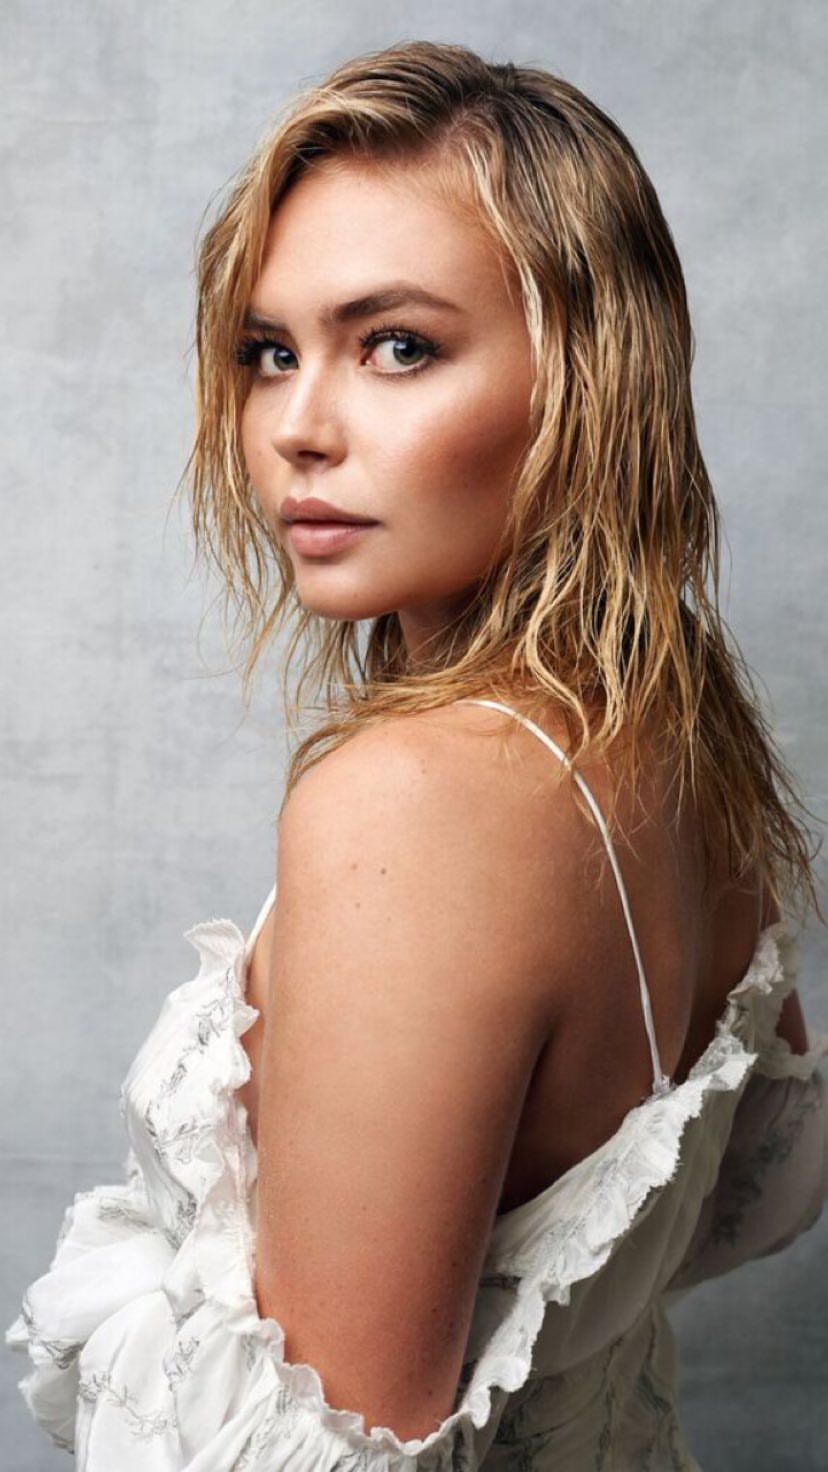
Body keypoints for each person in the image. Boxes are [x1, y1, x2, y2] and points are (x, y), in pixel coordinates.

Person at [7, 38, 828, 1471]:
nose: (297, 429)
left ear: (588, 383)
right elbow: (738, 1208)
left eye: (397, 346)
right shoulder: (684, 746)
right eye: (270, 352)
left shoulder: (412, 802)